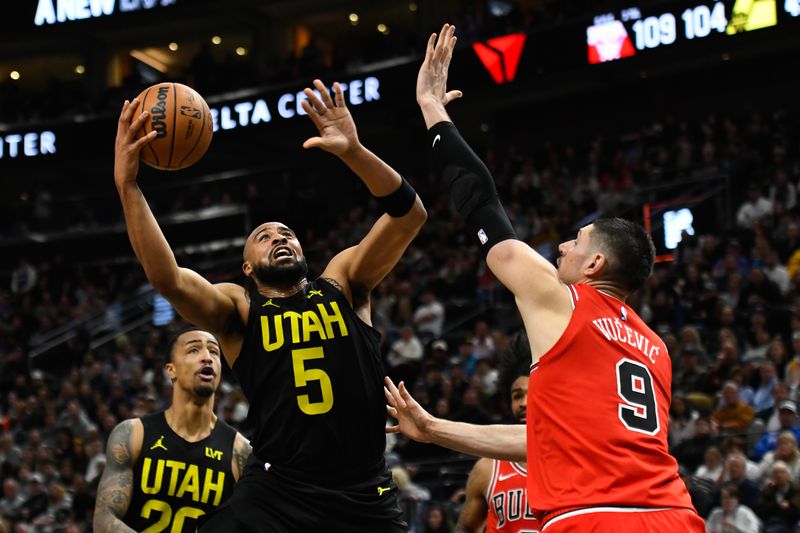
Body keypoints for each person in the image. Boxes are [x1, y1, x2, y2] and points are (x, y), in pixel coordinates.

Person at [385, 23, 703, 531]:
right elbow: (545, 441)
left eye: (576, 242)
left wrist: (431, 108)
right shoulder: (655, 349)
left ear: (595, 265)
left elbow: (482, 204)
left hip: (596, 518)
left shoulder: (564, 301)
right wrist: (432, 427)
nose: (561, 247)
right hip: (675, 516)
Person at [114, 78, 425, 532]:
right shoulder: (238, 309)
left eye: (287, 233)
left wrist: (354, 151)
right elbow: (168, 277)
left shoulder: (344, 282)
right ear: (246, 268)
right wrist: (128, 185)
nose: (279, 237)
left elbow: (410, 215)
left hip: (362, 492)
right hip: (281, 492)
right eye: (264, 236)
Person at [94, 328, 250, 532]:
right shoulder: (133, 434)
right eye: (194, 350)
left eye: (214, 352)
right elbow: (104, 519)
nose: (207, 357)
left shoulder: (241, 451)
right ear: (171, 370)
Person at [455, 332, 539, 532]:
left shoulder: (572, 462)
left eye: (534, 392)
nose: (524, 403)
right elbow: (465, 528)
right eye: (517, 396)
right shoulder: (487, 469)